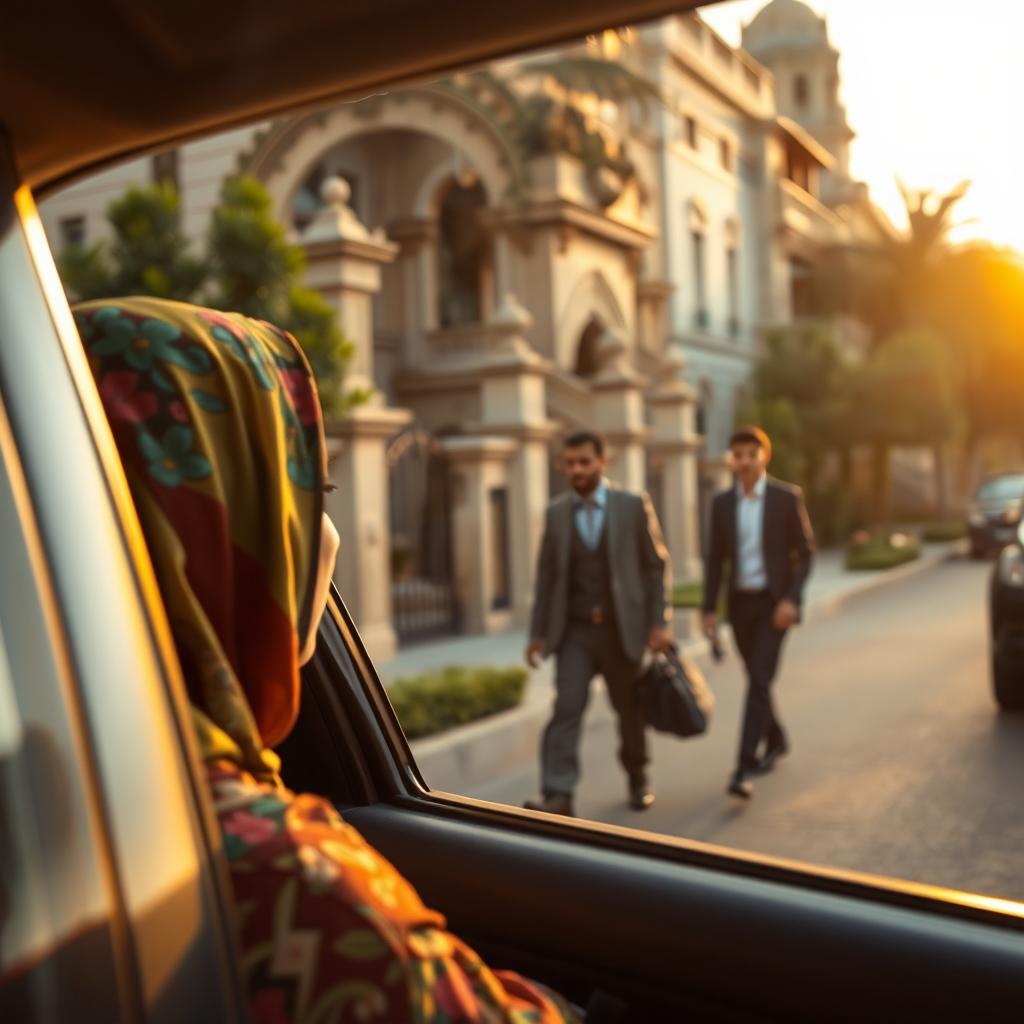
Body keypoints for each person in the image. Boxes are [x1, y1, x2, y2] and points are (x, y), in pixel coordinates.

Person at [75, 296, 580, 1024]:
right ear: (219, 514)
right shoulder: (282, 885)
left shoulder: (63, 788)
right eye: (298, 484)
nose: (324, 532)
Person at [524, 431, 673, 817]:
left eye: (584, 462)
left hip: (621, 629)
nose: (576, 470)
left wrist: (659, 621)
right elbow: (547, 577)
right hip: (574, 631)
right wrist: (538, 634)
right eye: (569, 463)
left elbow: (656, 566)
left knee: (629, 710)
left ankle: (638, 777)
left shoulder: (632, 505)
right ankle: (559, 793)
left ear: (603, 462)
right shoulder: (556, 513)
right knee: (567, 707)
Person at [702, 426, 814, 801]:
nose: (745, 462)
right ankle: (777, 739)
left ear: (764, 456)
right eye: (738, 455)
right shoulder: (721, 505)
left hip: (774, 605)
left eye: (752, 454)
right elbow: (715, 561)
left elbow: (806, 553)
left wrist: (791, 601)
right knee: (758, 679)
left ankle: (743, 765)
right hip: (740, 606)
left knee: (759, 680)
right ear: (732, 460)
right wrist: (708, 611)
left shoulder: (785, 498)